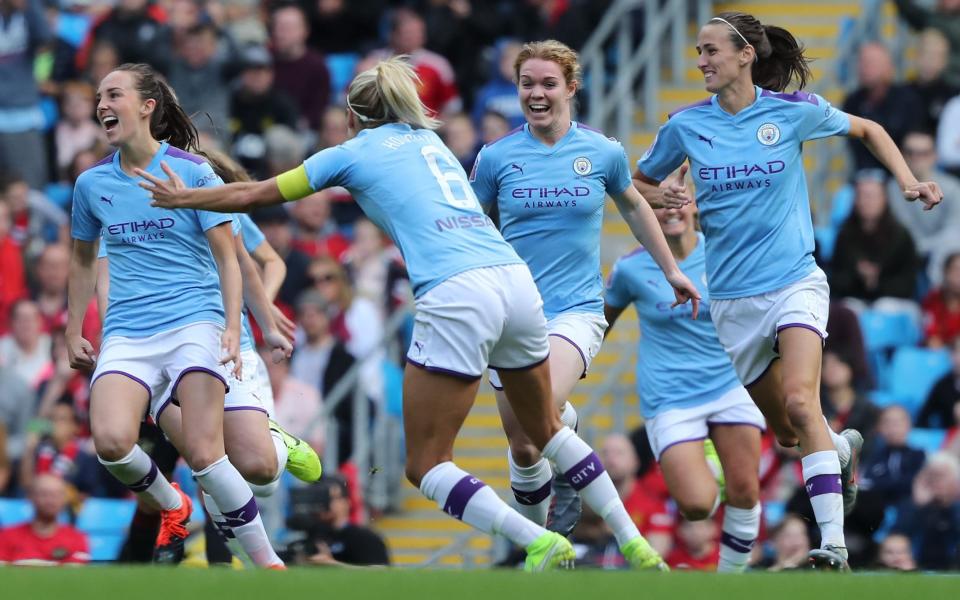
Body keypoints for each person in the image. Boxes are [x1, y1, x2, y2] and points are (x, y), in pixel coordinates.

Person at [141, 56, 699, 571]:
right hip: (514, 279)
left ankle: (538, 540)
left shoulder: (352, 152)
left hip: (456, 292)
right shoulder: (428, 140)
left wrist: (184, 198)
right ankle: (633, 541)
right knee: (545, 427)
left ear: (355, 114)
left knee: (426, 465)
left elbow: (259, 194)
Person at [631, 11, 942, 570]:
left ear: (745, 54)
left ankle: (833, 548)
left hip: (795, 280)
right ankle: (840, 447)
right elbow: (638, 184)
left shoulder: (792, 114)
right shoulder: (685, 125)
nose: (699, 61)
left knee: (803, 402)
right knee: (787, 432)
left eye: (710, 51)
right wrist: (664, 198)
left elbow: (869, 130)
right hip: (731, 299)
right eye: (698, 51)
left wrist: (907, 181)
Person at [469, 39, 701, 545]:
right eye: (527, 83)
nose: (537, 93)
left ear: (571, 87)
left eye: (549, 83)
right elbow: (470, 228)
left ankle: (562, 467)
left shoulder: (601, 151)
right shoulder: (495, 158)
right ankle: (535, 548)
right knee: (526, 447)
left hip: (574, 310)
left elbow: (637, 207)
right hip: (510, 315)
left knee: (541, 410)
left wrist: (671, 270)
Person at [66, 63, 284, 568]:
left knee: (215, 458)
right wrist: (73, 329)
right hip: (128, 331)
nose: (101, 104)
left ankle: (270, 565)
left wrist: (234, 327)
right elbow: (82, 260)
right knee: (112, 444)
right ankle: (173, 505)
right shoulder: (90, 185)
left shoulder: (191, 172)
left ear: (146, 106)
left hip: (194, 323)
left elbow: (231, 259)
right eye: (99, 96)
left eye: (113, 94)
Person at [95, 147, 312, 565]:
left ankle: (275, 442)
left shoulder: (211, 201)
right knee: (206, 466)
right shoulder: (112, 204)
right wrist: (115, 347)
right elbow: (107, 283)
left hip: (222, 345)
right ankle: (228, 569)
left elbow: (254, 265)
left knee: (259, 472)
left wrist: (264, 318)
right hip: (150, 356)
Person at [604, 198, 766, 573]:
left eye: (680, 200)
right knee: (696, 506)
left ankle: (731, 582)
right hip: (669, 397)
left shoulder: (725, 254)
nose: (671, 209)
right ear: (645, 214)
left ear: (696, 207)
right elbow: (600, 324)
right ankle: (711, 464)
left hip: (730, 384)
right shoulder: (630, 268)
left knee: (745, 491)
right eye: (660, 204)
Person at [0, 474, 90, 565]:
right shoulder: (7, 537)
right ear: (30, 497)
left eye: (56, 495)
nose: (50, 500)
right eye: (44, 494)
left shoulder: (77, 538)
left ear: (64, 499)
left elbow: (75, 573)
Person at [918, 336, 960, 428]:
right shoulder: (942, 385)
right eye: (958, 352)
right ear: (951, 356)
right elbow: (923, 418)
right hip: (951, 437)